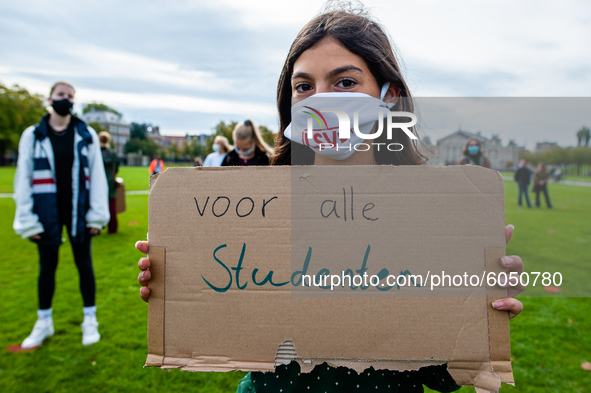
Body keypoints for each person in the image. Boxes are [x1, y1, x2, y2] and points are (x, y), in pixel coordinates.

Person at [136, 6, 525, 393]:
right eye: (304, 86)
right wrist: (179, 285)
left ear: (389, 96)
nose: (320, 100)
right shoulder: (253, 209)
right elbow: (225, 329)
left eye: (344, 83)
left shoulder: (429, 219)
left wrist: (479, 315)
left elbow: (442, 376)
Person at [14, 81, 109, 349]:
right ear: (49, 98)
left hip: (78, 209)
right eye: (60, 95)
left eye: (70, 96)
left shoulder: (85, 133)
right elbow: (23, 178)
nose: (65, 99)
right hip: (46, 210)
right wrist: (27, 219)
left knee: (84, 265)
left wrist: (97, 215)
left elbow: (98, 177)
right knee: (47, 267)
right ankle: (44, 321)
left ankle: (90, 319)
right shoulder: (33, 135)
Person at [99, 131, 120, 233]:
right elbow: (116, 167)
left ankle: (96, 228)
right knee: (112, 206)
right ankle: (112, 228)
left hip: (98, 182)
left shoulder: (96, 153)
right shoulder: (112, 154)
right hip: (111, 181)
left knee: (97, 206)